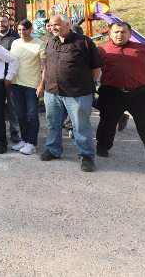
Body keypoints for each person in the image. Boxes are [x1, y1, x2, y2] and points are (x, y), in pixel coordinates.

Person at [95, 21, 145, 179]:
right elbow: (90, 69)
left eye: (123, 32)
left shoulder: (142, 49)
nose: (119, 35)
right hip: (111, 93)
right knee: (107, 123)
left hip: (139, 95)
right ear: (110, 34)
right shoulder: (101, 50)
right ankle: (103, 146)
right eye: (116, 32)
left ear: (130, 34)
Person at [40, 14, 102, 172]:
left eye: (56, 24)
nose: (53, 28)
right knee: (53, 123)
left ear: (68, 25)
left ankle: (86, 156)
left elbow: (96, 68)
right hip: (52, 92)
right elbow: (46, 66)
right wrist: (42, 85)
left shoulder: (84, 42)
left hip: (78, 93)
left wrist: (88, 85)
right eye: (51, 25)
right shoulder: (50, 41)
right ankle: (53, 149)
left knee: (80, 126)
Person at [9, 20, 45, 155]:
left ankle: (31, 143)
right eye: (19, 30)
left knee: (32, 115)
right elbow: (12, 61)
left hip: (32, 85)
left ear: (31, 30)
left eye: (24, 29)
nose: (21, 32)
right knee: (20, 114)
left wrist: (42, 84)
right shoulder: (15, 43)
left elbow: (44, 66)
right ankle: (24, 140)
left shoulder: (39, 44)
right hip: (16, 84)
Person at [0, 15, 21, 144]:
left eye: (3, 22)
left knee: (13, 107)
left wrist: (10, 76)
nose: (1, 24)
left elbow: (17, 58)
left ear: (8, 23)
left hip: (11, 78)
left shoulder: (16, 38)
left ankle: (15, 132)